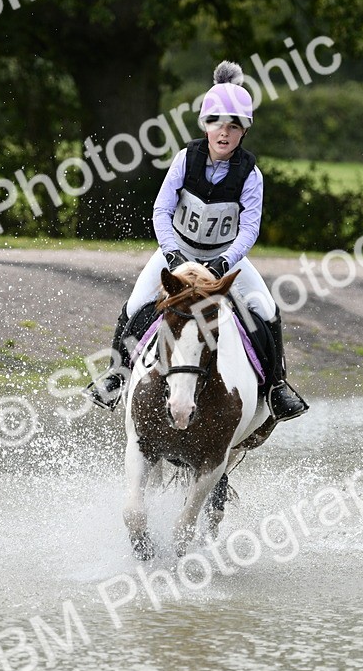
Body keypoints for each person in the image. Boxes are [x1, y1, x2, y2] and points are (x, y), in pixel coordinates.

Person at [85, 60, 308, 422]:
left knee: (267, 310)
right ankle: (116, 374)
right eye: (217, 123)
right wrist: (172, 254)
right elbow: (161, 210)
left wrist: (225, 262)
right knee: (135, 305)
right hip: (179, 251)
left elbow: (250, 228)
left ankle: (277, 387)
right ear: (205, 125)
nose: (224, 132)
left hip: (225, 258)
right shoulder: (185, 159)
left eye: (234, 126)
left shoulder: (250, 173)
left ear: (243, 132)